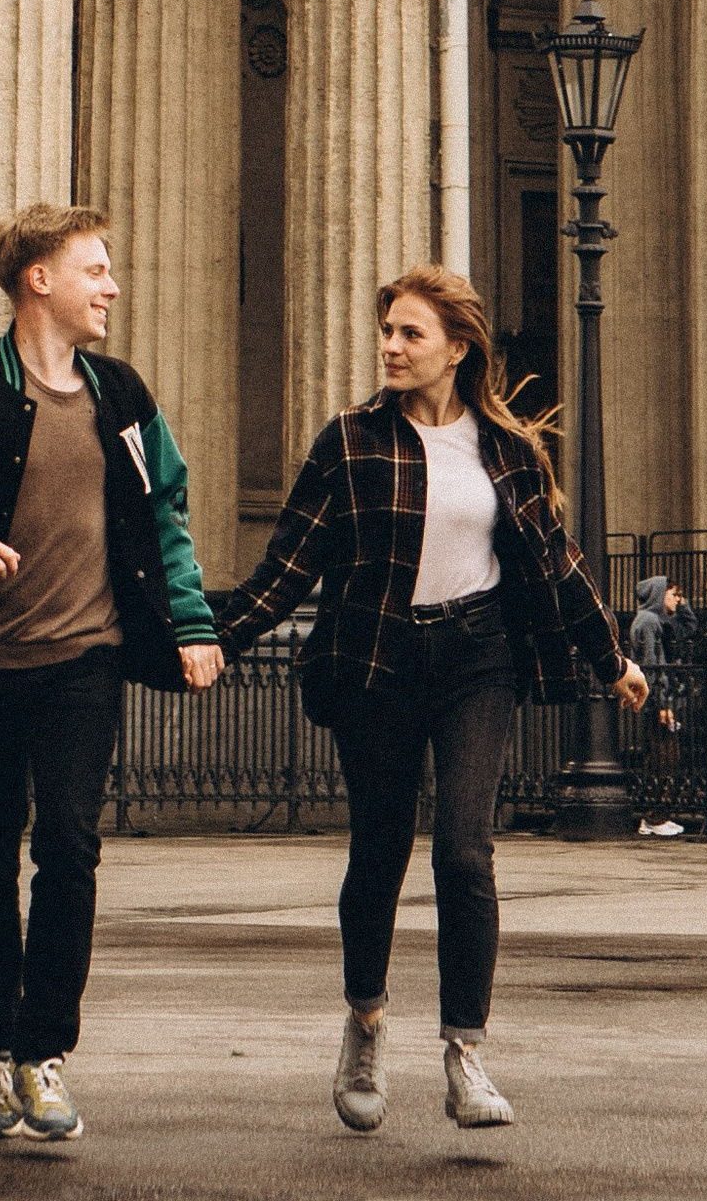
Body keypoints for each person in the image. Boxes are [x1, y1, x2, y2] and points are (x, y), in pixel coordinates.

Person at [212, 262, 649, 1136]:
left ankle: (465, 1053)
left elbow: (559, 562)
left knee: (463, 853)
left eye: (411, 333)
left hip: (476, 657)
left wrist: (610, 660)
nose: (392, 347)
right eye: (387, 332)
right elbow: (289, 565)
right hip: (380, 661)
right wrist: (209, 640)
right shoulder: (349, 442)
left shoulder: (506, 450)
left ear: (458, 347)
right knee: (379, 850)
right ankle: (366, 1024)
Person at [0, 203, 224, 1146]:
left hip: (85, 663)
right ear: (40, 282)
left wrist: (189, 623)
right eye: (94, 269)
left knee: (67, 845)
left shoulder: (124, 398)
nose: (109, 286)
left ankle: (43, 1051)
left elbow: (165, 515)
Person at [627, 572, 695, 835]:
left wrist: (683, 602)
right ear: (658, 594)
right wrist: (662, 703)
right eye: (674, 594)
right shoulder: (648, 622)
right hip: (657, 701)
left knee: (665, 757)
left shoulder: (657, 621)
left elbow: (688, 628)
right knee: (663, 758)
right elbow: (651, 665)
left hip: (659, 699)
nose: (678, 600)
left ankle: (657, 816)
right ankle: (655, 818)